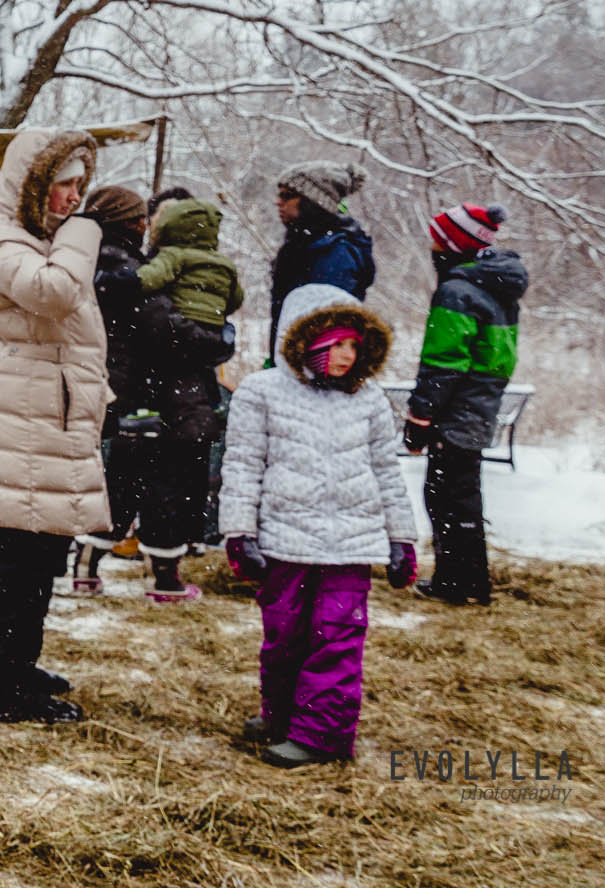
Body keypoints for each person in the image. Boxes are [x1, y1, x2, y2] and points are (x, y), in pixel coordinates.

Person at [221, 283, 417, 768]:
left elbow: (387, 471)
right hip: (286, 540)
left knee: (336, 638)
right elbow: (243, 465)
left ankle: (320, 734)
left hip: (350, 545)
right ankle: (282, 714)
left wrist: (402, 538)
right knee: (284, 636)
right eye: (336, 344)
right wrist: (239, 532)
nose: (347, 356)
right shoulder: (261, 393)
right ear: (304, 338)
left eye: (354, 344)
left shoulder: (368, 400)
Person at [0, 128, 108, 723]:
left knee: (40, 550)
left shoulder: (39, 239)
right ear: (33, 188)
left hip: (45, 414)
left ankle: (12, 661)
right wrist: (84, 233)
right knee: (24, 555)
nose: (74, 198)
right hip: (24, 417)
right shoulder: (4, 238)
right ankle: (7, 681)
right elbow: (53, 293)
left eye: (80, 186)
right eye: (63, 187)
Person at [407, 203, 526, 607]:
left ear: (450, 244)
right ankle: (469, 578)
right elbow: (499, 357)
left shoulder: (457, 292)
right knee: (462, 494)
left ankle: (456, 581)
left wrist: (420, 415)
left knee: (444, 494)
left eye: (436, 240)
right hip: (480, 402)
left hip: (457, 406)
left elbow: (442, 362)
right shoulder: (497, 287)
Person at [131, 196, 245, 599]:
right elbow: (235, 300)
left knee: (162, 477)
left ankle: (159, 567)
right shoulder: (224, 266)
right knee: (179, 475)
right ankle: (168, 565)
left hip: (170, 382)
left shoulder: (171, 259)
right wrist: (216, 331)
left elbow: (144, 284)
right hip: (196, 383)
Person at [68, 185, 159, 596]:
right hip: (121, 385)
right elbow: (151, 328)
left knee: (85, 473)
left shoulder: (79, 258)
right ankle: (86, 562)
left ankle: (76, 560)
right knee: (119, 478)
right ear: (127, 222)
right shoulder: (125, 269)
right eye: (139, 218)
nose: (145, 226)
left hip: (85, 379)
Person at [268, 161, 374, 334]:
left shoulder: (335, 253)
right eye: (279, 195)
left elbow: (327, 333)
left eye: (287, 195)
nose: (278, 202)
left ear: (313, 201)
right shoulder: (301, 245)